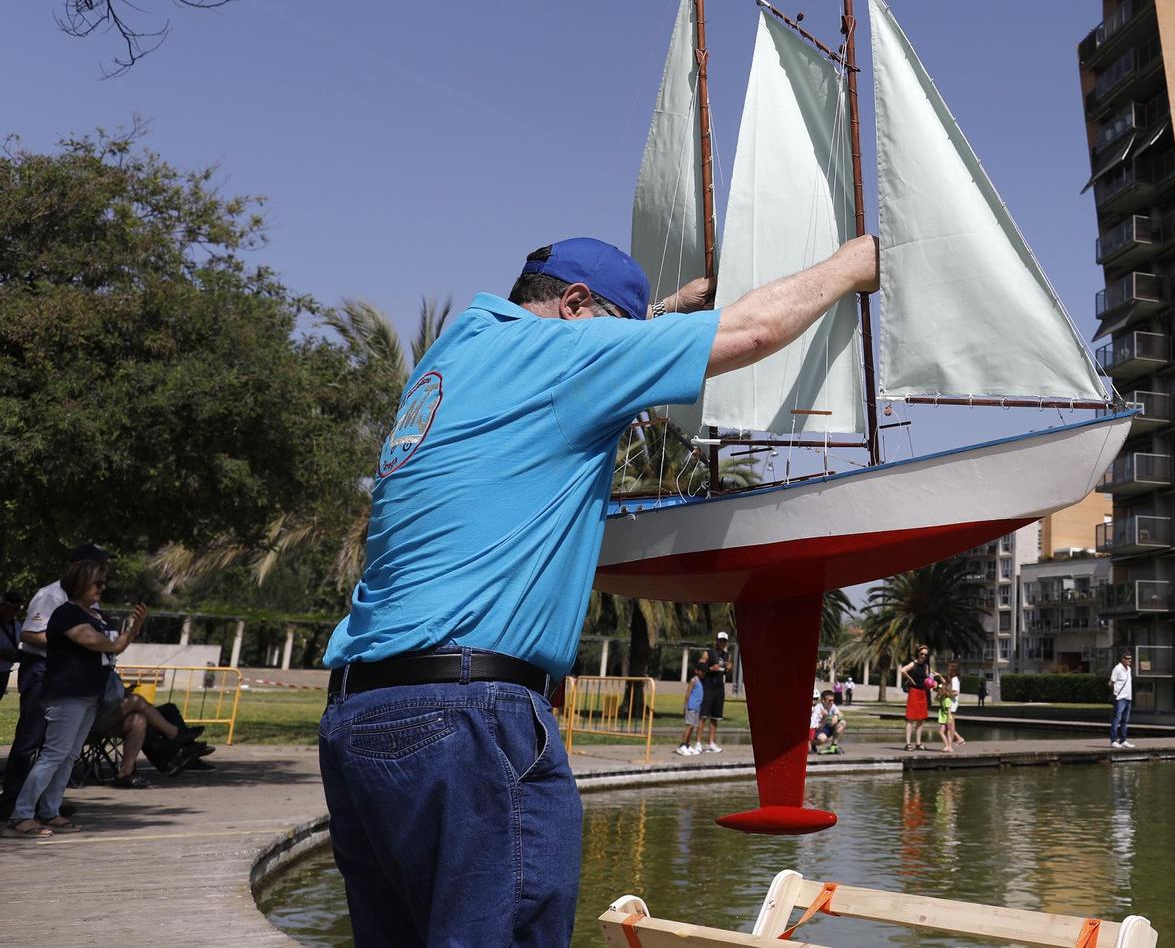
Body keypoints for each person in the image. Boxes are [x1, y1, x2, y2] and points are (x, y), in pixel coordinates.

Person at [317, 234, 878, 947]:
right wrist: (853, 264)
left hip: (359, 720)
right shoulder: (564, 356)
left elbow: (593, 343)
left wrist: (663, 312)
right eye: (623, 331)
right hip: (467, 719)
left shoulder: (455, 355)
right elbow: (752, 330)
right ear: (575, 305)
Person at [6, 559, 145, 837]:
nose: (102, 588)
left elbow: (112, 647)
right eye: (97, 583)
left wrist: (126, 635)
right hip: (67, 694)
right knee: (54, 754)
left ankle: (50, 811)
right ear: (80, 583)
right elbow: (101, 643)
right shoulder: (66, 614)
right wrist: (130, 633)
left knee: (68, 756)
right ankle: (21, 815)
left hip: (90, 694)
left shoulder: (96, 615)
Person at [0, 544, 109, 821]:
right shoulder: (50, 595)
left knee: (64, 747)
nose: (102, 577)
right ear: (79, 567)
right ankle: (13, 802)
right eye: (97, 568)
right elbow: (29, 634)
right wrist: (68, 640)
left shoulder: (91, 602)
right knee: (31, 740)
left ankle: (46, 805)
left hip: (75, 677)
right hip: (43, 671)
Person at [698, 631, 731, 753]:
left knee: (715, 717)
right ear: (716, 640)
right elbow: (699, 667)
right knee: (703, 716)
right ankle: (698, 742)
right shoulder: (708, 653)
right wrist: (710, 668)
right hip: (708, 687)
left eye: (724, 641)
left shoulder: (727, 656)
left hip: (719, 689)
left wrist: (729, 669)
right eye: (720, 640)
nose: (722, 643)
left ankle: (711, 742)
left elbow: (726, 671)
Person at [899, 645, 933, 751]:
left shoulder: (926, 666)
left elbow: (929, 678)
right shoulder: (913, 664)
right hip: (913, 692)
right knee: (910, 719)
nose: (923, 656)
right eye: (922, 653)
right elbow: (902, 670)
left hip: (923, 693)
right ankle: (908, 744)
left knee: (921, 719)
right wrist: (910, 679)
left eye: (925, 655)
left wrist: (933, 681)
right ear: (918, 653)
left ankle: (918, 743)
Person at [675, 651, 708, 756]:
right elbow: (688, 694)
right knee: (689, 726)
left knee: (693, 726)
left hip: (697, 708)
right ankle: (682, 745)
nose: (703, 673)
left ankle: (687, 745)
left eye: (704, 672)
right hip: (691, 707)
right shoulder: (693, 680)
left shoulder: (701, 681)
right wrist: (685, 707)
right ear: (696, 671)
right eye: (701, 671)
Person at [1109, 650, 1134, 748]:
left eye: (1130, 659)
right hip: (1120, 698)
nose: (1129, 660)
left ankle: (1123, 740)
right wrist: (1116, 693)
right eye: (1127, 659)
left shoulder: (1129, 669)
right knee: (1117, 719)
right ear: (1123, 659)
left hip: (1128, 697)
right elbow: (1111, 682)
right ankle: (1113, 740)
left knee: (1125, 720)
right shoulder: (1117, 668)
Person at [938, 661, 964, 754]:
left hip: (952, 705)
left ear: (953, 670)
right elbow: (946, 684)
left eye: (949, 668)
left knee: (950, 726)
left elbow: (956, 692)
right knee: (949, 726)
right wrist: (939, 676)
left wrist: (946, 694)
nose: (947, 670)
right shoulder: (952, 679)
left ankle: (949, 746)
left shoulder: (955, 679)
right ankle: (956, 741)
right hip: (950, 704)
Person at [0, 592, 22, 700]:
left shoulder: (17, 626)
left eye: (17, 608)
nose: (14, 611)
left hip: (4, 672)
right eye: (12, 607)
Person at [809, 689, 845, 754]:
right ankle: (811, 744)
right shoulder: (817, 709)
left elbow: (841, 714)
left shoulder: (832, 705)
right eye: (830, 700)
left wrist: (836, 716)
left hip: (825, 727)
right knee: (823, 739)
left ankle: (834, 746)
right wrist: (825, 718)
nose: (832, 702)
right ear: (823, 700)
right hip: (816, 730)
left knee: (842, 722)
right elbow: (816, 727)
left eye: (833, 700)